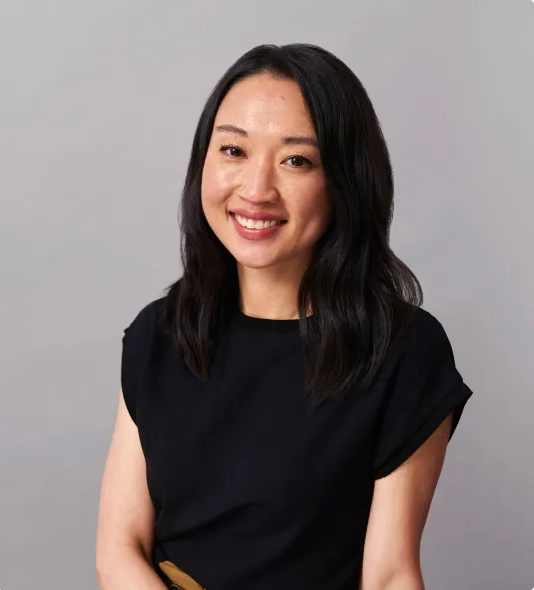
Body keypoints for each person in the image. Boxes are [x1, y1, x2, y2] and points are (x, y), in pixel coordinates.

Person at [95, 43, 474, 590]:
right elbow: (119, 551)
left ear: (345, 181)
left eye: (297, 160)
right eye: (233, 150)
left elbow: (390, 575)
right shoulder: (159, 334)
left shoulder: (402, 350)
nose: (256, 190)